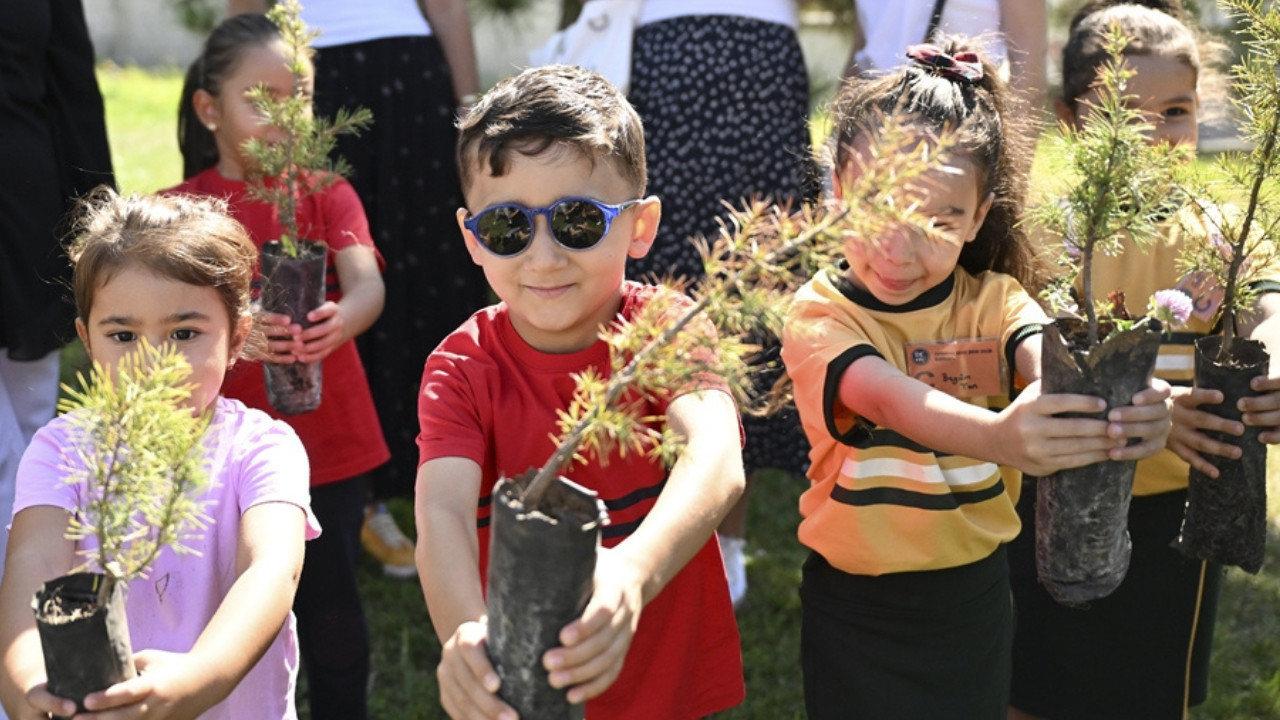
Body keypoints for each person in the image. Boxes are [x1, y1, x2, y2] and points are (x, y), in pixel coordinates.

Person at [779, 40, 1175, 719]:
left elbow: (1046, 363)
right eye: (880, 210)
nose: (899, 250)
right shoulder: (820, 314)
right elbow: (887, 397)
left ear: (980, 214)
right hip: (856, 609)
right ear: (837, 187)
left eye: (941, 221)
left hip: (973, 604)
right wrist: (1000, 435)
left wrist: (1126, 404)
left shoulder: (997, 303)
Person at [415, 64, 747, 719]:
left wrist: (630, 572)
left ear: (640, 226)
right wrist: (463, 634)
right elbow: (441, 514)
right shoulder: (462, 366)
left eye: (577, 220)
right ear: (472, 239)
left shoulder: (664, 329)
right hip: (525, 694)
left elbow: (715, 458)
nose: (543, 257)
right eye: (509, 227)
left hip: (665, 689)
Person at [1007, 3, 1280, 718]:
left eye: (1178, 112)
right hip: (1047, 497)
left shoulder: (1217, 229)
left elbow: (1268, 306)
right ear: (1072, 119)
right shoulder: (1044, 231)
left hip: (1169, 517)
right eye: (1125, 113)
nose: (1157, 136)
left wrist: (1276, 360)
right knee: (1031, 685)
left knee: (1148, 693)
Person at [0, 189, 316, 720]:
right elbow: (33, 568)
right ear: (87, 339)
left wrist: (196, 681)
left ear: (237, 336)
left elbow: (270, 571)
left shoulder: (261, 449)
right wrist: (28, 684)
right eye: (123, 334)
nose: (153, 363)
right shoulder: (61, 451)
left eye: (184, 333)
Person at [170, 14, 390, 720]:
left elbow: (367, 284)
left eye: (296, 96)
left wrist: (342, 318)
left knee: (331, 606)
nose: (282, 115)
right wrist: (234, 330)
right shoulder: (184, 213)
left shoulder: (326, 192)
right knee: (225, 598)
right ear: (209, 109)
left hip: (331, 444)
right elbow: (165, 326)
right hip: (219, 451)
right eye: (259, 99)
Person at [225, 0, 488, 580]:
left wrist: (468, 111)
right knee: (318, 283)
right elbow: (242, 11)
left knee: (423, 280)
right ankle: (358, 493)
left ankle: (439, 475)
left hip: (410, 77)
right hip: (305, 76)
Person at [624, 0, 819, 608]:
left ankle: (726, 537)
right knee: (664, 271)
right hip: (665, 53)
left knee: (754, 287)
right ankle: (648, 519)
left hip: (756, 56)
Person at [0, 0, 115, 627]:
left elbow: (72, 87)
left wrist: (103, 232)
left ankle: (46, 644)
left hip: (24, 218)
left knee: (33, 436)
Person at [847, 0, 1048, 114]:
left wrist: (1009, 176)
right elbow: (863, 51)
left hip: (956, 127)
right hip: (871, 124)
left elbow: (1028, 66)